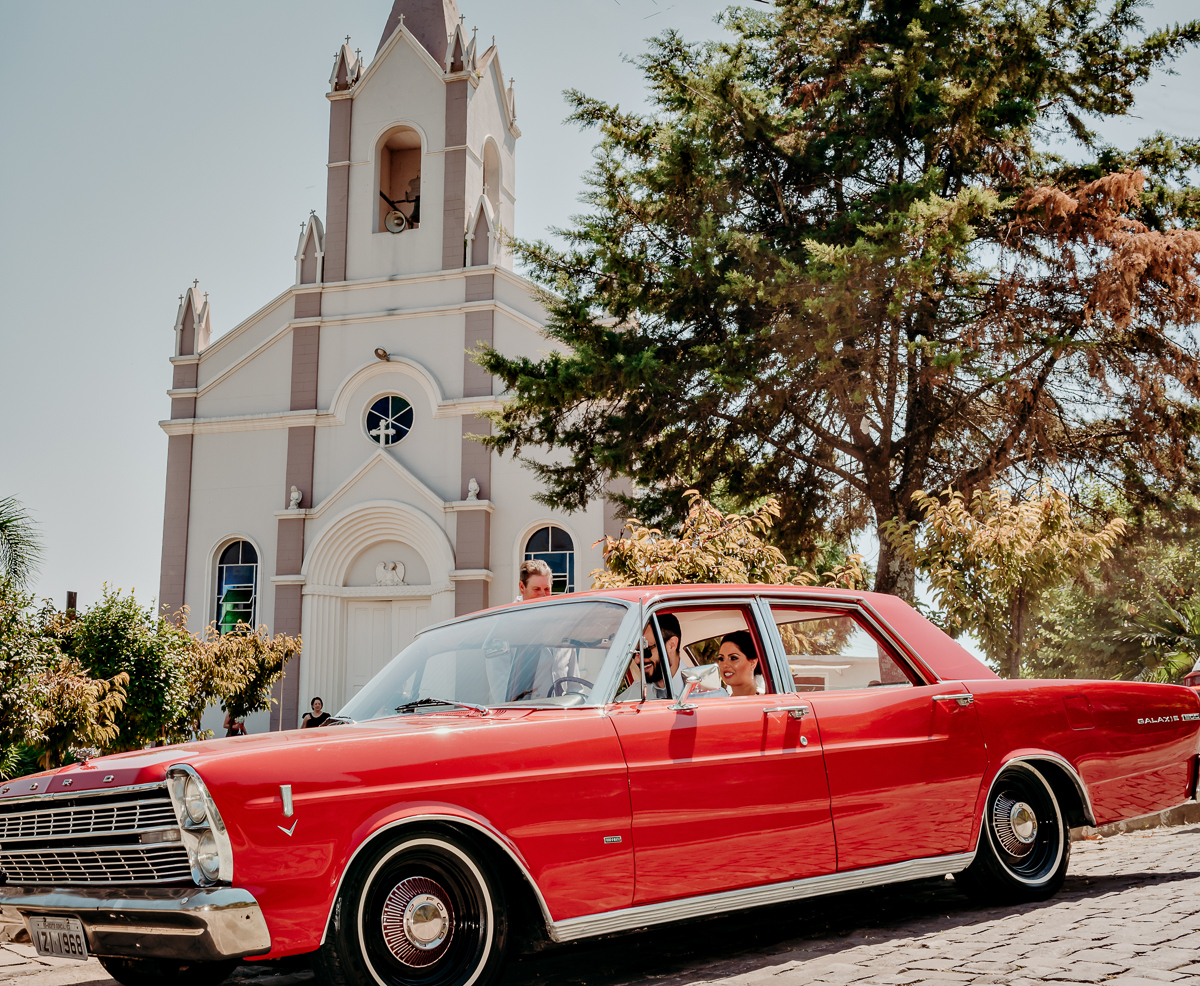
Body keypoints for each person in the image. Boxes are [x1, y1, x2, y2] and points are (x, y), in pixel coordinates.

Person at [617, 614, 685, 701]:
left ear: (671, 645)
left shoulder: (700, 693)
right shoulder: (633, 694)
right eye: (634, 653)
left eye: (645, 650)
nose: (637, 660)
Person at [715, 631, 763, 696]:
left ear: (753, 663)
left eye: (733, 658)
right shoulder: (720, 699)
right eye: (721, 659)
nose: (725, 665)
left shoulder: (766, 699)